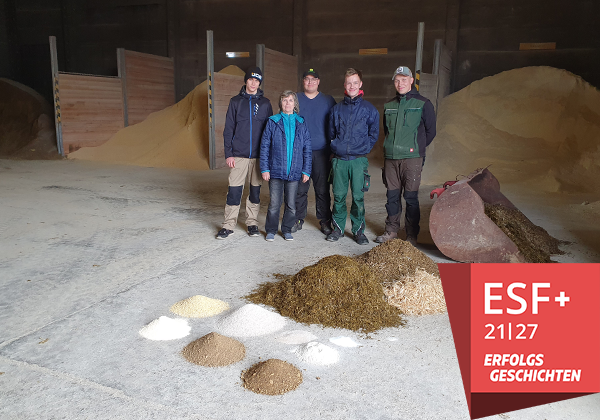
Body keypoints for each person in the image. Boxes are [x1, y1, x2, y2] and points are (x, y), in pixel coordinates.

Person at [375, 66, 436, 246]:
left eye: (404, 79)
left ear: (411, 80)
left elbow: (431, 131)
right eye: (397, 80)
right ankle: (391, 231)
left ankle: (411, 235)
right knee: (392, 196)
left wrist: (416, 148)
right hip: (391, 159)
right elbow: (386, 131)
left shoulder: (424, 104)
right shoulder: (389, 106)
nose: (400, 83)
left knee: (410, 197)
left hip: (412, 159)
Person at [217, 67, 273, 240]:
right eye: (250, 79)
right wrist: (229, 154)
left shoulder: (265, 104)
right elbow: (228, 130)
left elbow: (270, 131)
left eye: (257, 80)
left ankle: (252, 223)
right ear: (246, 81)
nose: (253, 83)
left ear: (259, 83)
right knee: (234, 191)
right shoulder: (235, 102)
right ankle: (228, 225)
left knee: (255, 192)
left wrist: (268, 157)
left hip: (258, 157)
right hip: (239, 155)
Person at [327, 68, 379, 244]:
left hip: (358, 161)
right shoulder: (336, 109)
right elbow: (331, 132)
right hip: (340, 161)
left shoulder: (369, 109)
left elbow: (374, 133)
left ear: (360, 84)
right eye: (349, 83)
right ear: (344, 85)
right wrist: (336, 146)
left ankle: (358, 231)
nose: (352, 86)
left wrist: (364, 148)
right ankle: (338, 229)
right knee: (339, 196)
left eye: (355, 82)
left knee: (358, 197)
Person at [260, 91, 312, 241]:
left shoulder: (301, 123)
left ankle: (287, 229)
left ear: (295, 104)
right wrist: (265, 168)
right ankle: (271, 230)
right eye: (284, 100)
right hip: (275, 171)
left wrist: (306, 170)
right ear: (280, 103)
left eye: (290, 100)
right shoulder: (273, 121)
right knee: (274, 204)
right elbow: (264, 146)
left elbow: (307, 149)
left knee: (291, 204)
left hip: (295, 172)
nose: (287, 103)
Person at [292, 68, 336, 236]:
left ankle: (325, 220)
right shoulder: (295, 99)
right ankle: (297, 218)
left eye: (313, 79)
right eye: (306, 79)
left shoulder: (328, 100)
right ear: (303, 81)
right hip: (301, 152)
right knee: (300, 188)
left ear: (318, 81)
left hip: (321, 152)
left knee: (322, 188)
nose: (310, 82)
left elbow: (335, 124)